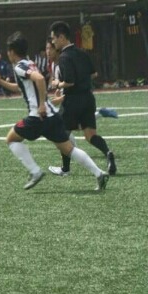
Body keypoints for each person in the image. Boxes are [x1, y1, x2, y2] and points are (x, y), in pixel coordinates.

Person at [0, 32, 108, 191]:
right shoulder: (29, 63)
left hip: (38, 117)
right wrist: (1, 82)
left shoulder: (19, 67)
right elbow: (22, 87)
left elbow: (39, 79)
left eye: (8, 51)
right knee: (69, 149)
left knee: (11, 139)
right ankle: (99, 173)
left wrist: (41, 105)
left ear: (12, 52)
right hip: (52, 116)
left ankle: (35, 171)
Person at [48, 21, 116, 177]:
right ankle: (108, 152)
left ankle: (65, 169)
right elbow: (94, 74)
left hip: (72, 100)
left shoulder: (64, 57)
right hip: (88, 98)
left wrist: (57, 83)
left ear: (62, 37)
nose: (53, 42)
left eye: (54, 38)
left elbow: (69, 82)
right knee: (90, 135)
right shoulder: (82, 52)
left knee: (61, 134)